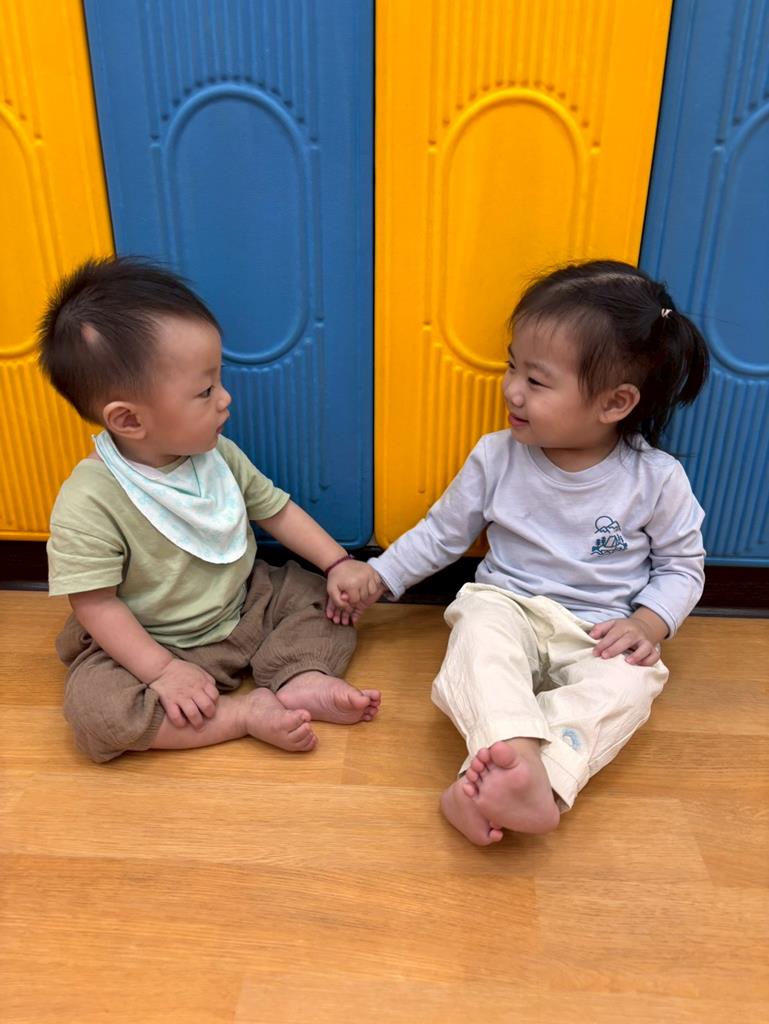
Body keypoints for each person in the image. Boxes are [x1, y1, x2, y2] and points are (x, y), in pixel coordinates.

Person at [331, 259, 709, 845]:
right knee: (478, 640)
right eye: (513, 367)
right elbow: (442, 533)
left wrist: (646, 624)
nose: (511, 389)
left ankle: (524, 782)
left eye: (536, 381)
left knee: (632, 684)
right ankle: (513, 754)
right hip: (508, 605)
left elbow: (682, 566)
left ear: (614, 403)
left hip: (599, 629)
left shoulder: (656, 479)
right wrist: (378, 576)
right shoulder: (497, 456)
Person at [39, 256, 380, 763]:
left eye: (219, 380)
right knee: (97, 711)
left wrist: (337, 563)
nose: (225, 399)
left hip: (246, 602)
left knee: (324, 601)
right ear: (128, 420)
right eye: (204, 391)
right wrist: (161, 671)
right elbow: (96, 605)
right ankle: (241, 716)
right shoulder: (90, 501)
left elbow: (276, 511)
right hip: (153, 640)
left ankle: (300, 677)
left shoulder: (217, 455)